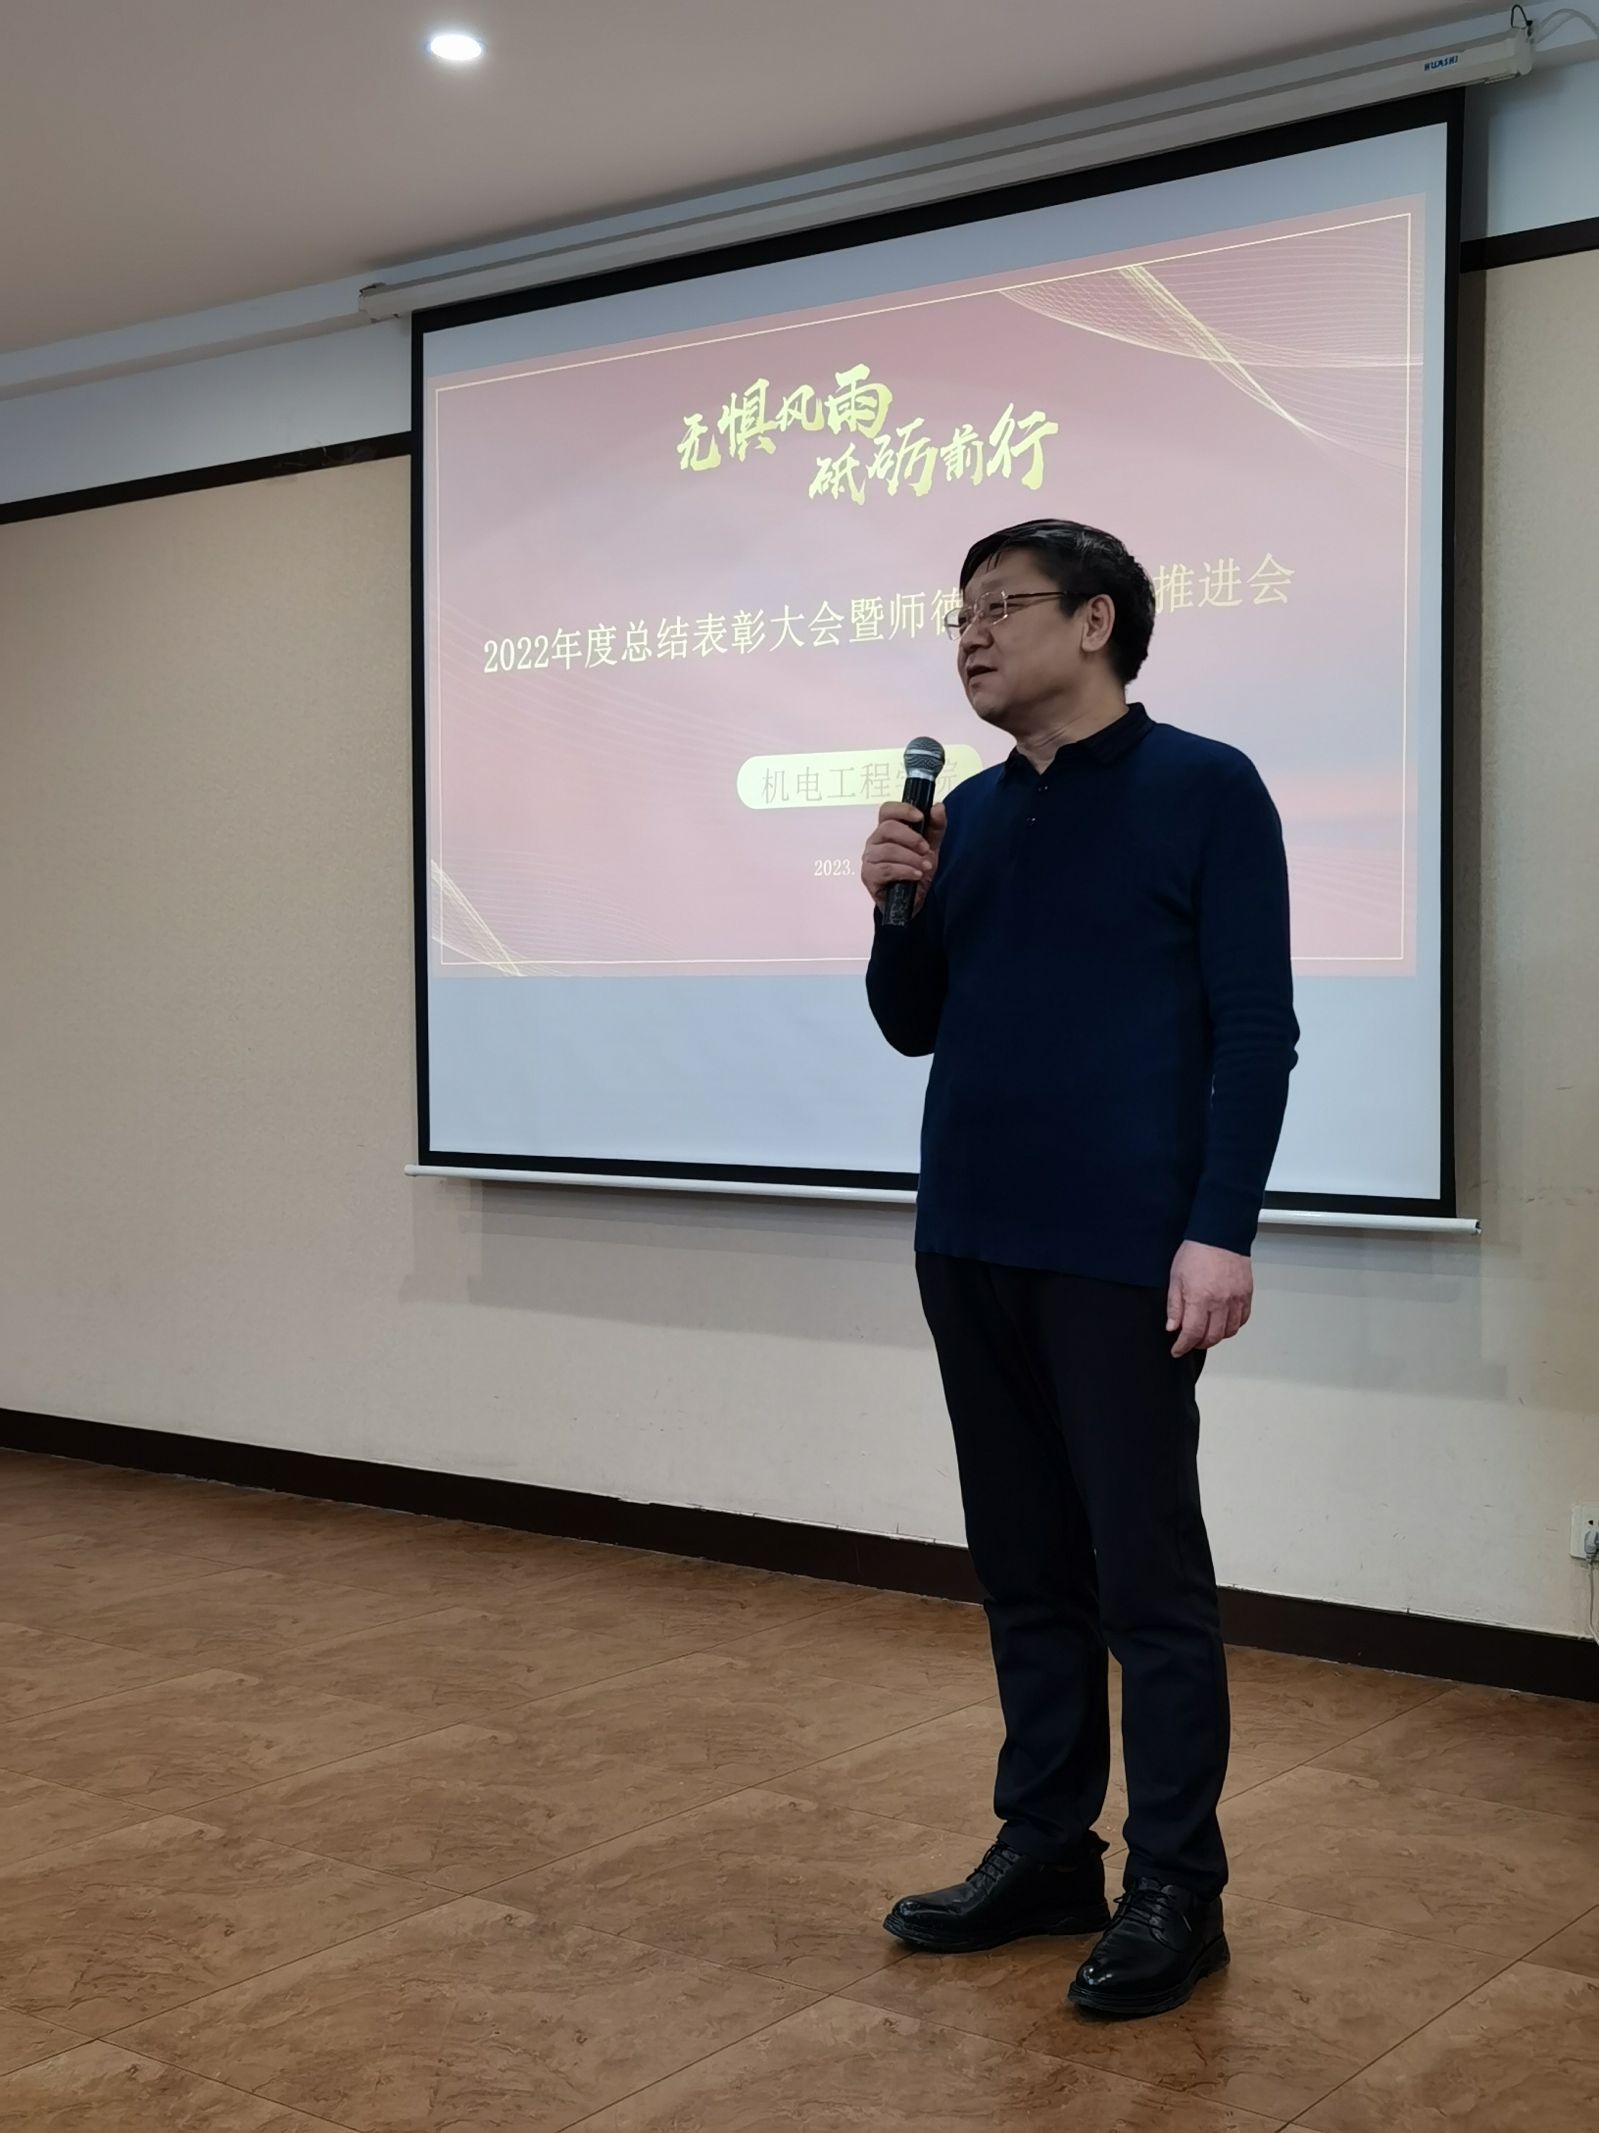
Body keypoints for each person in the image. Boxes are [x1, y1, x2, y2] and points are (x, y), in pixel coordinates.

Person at [862, 519, 1298, 2021]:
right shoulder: (968, 814)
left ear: (1097, 621)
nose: (971, 637)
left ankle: (1178, 1884)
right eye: (959, 616)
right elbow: (913, 1024)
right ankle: (1048, 1846)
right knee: (1023, 1565)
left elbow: (1257, 1029)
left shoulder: (1206, 787)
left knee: (1145, 1579)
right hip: (969, 1233)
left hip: (1124, 1249)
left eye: (1002, 606)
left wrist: (1221, 1226)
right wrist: (894, 906)